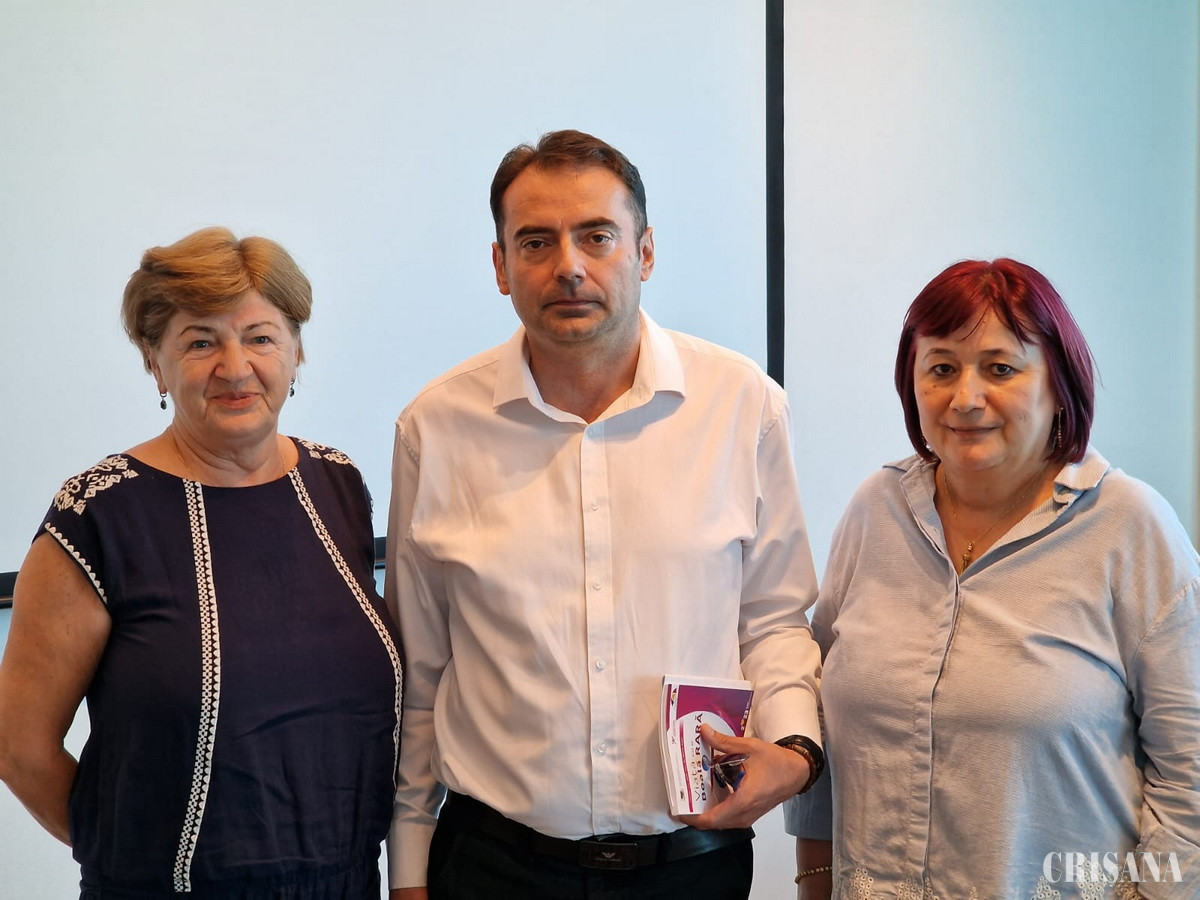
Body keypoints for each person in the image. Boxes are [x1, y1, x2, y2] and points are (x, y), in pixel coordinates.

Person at [386, 129, 823, 899]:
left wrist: (796, 748)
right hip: (492, 869)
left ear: (644, 252)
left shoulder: (742, 404)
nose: (569, 266)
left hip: (692, 868)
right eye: (536, 242)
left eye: (597, 236)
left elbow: (774, 620)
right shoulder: (436, 428)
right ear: (501, 266)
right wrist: (410, 868)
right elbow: (423, 672)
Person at [0, 227, 403, 898]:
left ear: (297, 351)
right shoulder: (99, 515)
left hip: (347, 882)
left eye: (260, 337)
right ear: (154, 363)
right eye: (200, 342)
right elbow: (18, 748)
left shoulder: (337, 483)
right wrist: (136, 860)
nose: (236, 367)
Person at [786, 259, 1200, 898]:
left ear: (1058, 382)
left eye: (1001, 368)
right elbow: (823, 726)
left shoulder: (1130, 527)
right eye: (941, 368)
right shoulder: (877, 510)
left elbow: (1190, 780)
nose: (966, 398)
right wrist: (814, 883)